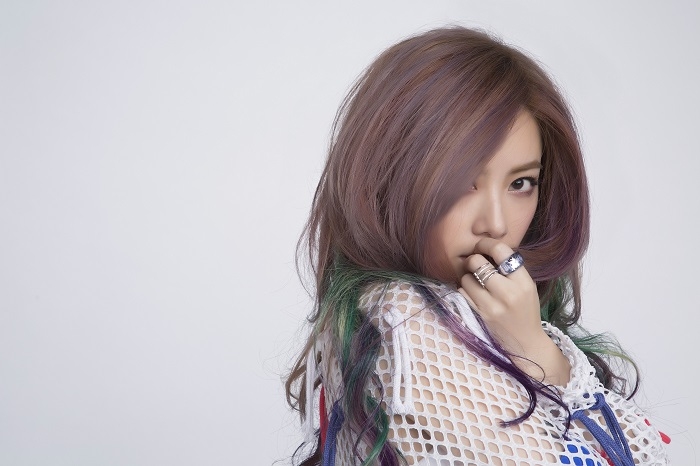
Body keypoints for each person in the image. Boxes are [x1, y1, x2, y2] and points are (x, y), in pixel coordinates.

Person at [284, 26, 670, 466]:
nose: (497, 223)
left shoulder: (469, 316)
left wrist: (537, 348)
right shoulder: (403, 318)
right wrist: (536, 352)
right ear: (391, 177)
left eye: (521, 183)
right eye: (464, 182)